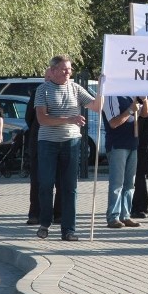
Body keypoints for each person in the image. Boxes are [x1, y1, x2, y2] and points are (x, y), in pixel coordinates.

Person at [35, 55, 101, 241]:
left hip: (71, 142)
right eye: (64, 69)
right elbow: (42, 119)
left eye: (70, 69)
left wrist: (102, 88)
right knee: (46, 184)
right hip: (48, 143)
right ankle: (45, 223)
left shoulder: (75, 88)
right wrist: (69, 119)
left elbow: (96, 106)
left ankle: (69, 229)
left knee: (70, 187)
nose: (68, 72)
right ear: (53, 70)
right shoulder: (43, 90)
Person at [103, 95, 148, 228]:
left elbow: (145, 114)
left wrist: (145, 100)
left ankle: (125, 215)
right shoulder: (111, 97)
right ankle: (113, 217)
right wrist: (129, 110)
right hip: (117, 145)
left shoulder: (132, 96)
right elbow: (113, 123)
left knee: (130, 183)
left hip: (132, 144)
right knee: (117, 183)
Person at [26, 69, 61, 224]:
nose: (47, 79)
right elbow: (29, 117)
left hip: (61, 140)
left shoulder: (66, 91)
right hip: (39, 141)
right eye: (45, 77)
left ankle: (59, 214)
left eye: (49, 77)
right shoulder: (38, 92)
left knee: (61, 179)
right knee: (38, 179)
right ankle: (35, 213)